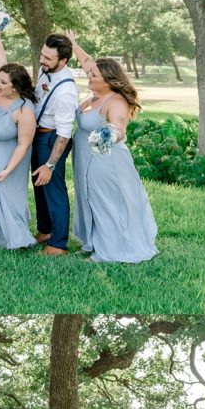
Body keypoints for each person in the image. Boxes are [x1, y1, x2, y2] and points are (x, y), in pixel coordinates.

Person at [67, 31, 158, 263]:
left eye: (94, 75)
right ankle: (93, 242)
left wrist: (107, 137)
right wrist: (75, 45)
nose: (89, 75)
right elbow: (89, 63)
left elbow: (118, 129)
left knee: (105, 202)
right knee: (87, 198)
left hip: (104, 160)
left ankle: (109, 250)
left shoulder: (115, 101)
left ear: (108, 80)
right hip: (85, 158)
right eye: (90, 73)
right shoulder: (96, 92)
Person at [0, 30, 38, 250]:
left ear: (15, 86)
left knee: (7, 195)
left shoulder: (24, 110)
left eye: (3, 82)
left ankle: (18, 239)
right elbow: (1, 64)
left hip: (10, 159)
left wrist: (8, 170)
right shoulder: (0, 94)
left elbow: (24, 144)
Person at [31, 33, 79, 256]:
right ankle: (45, 230)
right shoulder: (45, 70)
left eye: (48, 58)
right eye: (42, 55)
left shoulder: (66, 92)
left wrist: (50, 165)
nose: (42, 60)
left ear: (63, 61)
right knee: (39, 186)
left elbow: (64, 135)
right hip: (37, 135)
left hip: (52, 140)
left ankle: (58, 244)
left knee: (54, 189)